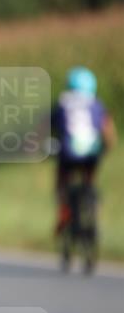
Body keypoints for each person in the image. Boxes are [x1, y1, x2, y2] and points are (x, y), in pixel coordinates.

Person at [50, 66, 117, 234]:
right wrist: (107, 149)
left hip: (67, 153)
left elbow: (46, 128)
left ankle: (63, 213)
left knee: (62, 180)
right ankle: (94, 211)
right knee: (90, 180)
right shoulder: (97, 104)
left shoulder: (63, 103)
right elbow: (108, 133)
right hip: (91, 154)